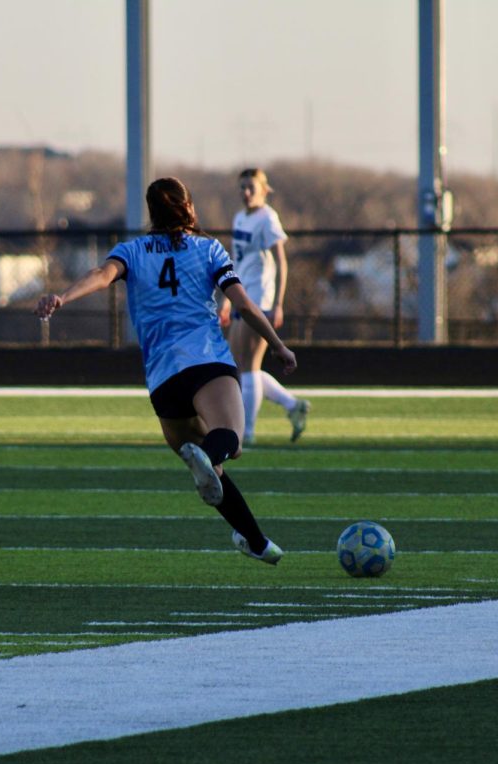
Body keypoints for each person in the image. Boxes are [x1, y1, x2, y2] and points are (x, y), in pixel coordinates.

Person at [35, 177, 297, 564]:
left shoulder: (133, 250)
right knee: (230, 441)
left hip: (163, 379)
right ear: (189, 208)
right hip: (206, 362)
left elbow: (102, 275)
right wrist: (277, 345)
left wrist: (62, 296)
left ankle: (257, 542)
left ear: (151, 213)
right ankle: (210, 459)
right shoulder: (208, 249)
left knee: (212, 471)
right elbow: (243, 305)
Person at [221, 167, 310, 446]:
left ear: (263, 189)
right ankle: (292, 405)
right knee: (241, 366)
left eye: (251, 187)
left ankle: (246, 433)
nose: (246, 192)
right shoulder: (239, 218)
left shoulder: (267, 218)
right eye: (242, 187)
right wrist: (226, 298)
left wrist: (279, 304)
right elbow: (236, 261)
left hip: (260, 298)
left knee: (248, 367)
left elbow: (281, 262)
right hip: (241, 295)